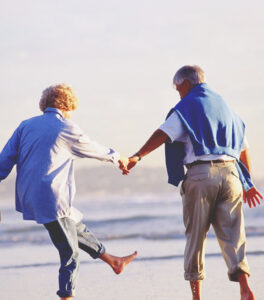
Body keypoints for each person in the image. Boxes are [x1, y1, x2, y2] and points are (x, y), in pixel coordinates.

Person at [126, 65, 263, 300]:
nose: (178, 93)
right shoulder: (227, 108)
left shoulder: (187, 106)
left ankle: (196, 297)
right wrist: (248, 183)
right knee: (233, 235)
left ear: (186, 83)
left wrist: (137, 156)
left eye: (178, 87)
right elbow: (243, 148)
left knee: (196, 237)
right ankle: (245, 287)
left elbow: (163, 133)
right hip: (231, 175)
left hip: (201, 175)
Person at [0, 84, 137, 300]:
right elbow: (93, 149)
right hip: (52, 198)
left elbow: (3, 162)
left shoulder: (25, 125)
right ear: (67, 104)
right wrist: (119, 158)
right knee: (70, 252)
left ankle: (113, 261)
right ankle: (67, 296)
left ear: (45, 103)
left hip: (29, 196)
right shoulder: (66, 127)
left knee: (76, 227)